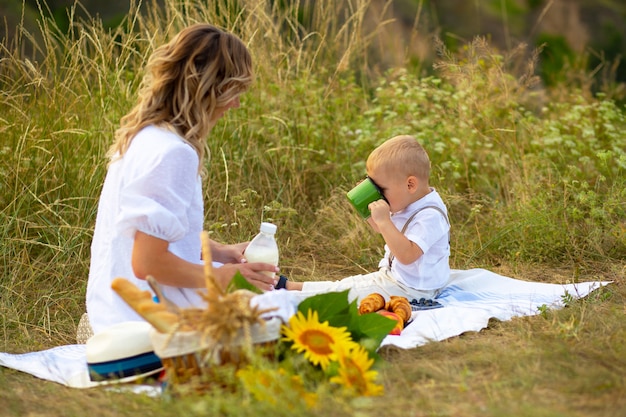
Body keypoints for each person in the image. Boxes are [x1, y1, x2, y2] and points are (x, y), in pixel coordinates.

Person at [86, 24, 279, 334]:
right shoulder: (173, 153)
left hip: (114, 309)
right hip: (150, 319)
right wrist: (219, 277)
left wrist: (217, 252)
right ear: (211, 88)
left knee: (271, 297)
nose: (235, 104)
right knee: (284, 312)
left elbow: (145, 234)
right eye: (234, 92)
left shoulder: (145, 136)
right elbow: (147, 263)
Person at [282, 135, 450, 303]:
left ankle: (286, 298)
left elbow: (407, 256)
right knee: (347, 285)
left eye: (380, 188)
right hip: (397, 279)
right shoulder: (407, 200)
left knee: (345, 297)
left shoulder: (430, 216)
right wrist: (367, 206)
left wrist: (384, 220)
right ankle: (291, 287)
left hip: (413, 291)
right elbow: (381, 228)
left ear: (410, 185)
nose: (377, 193)